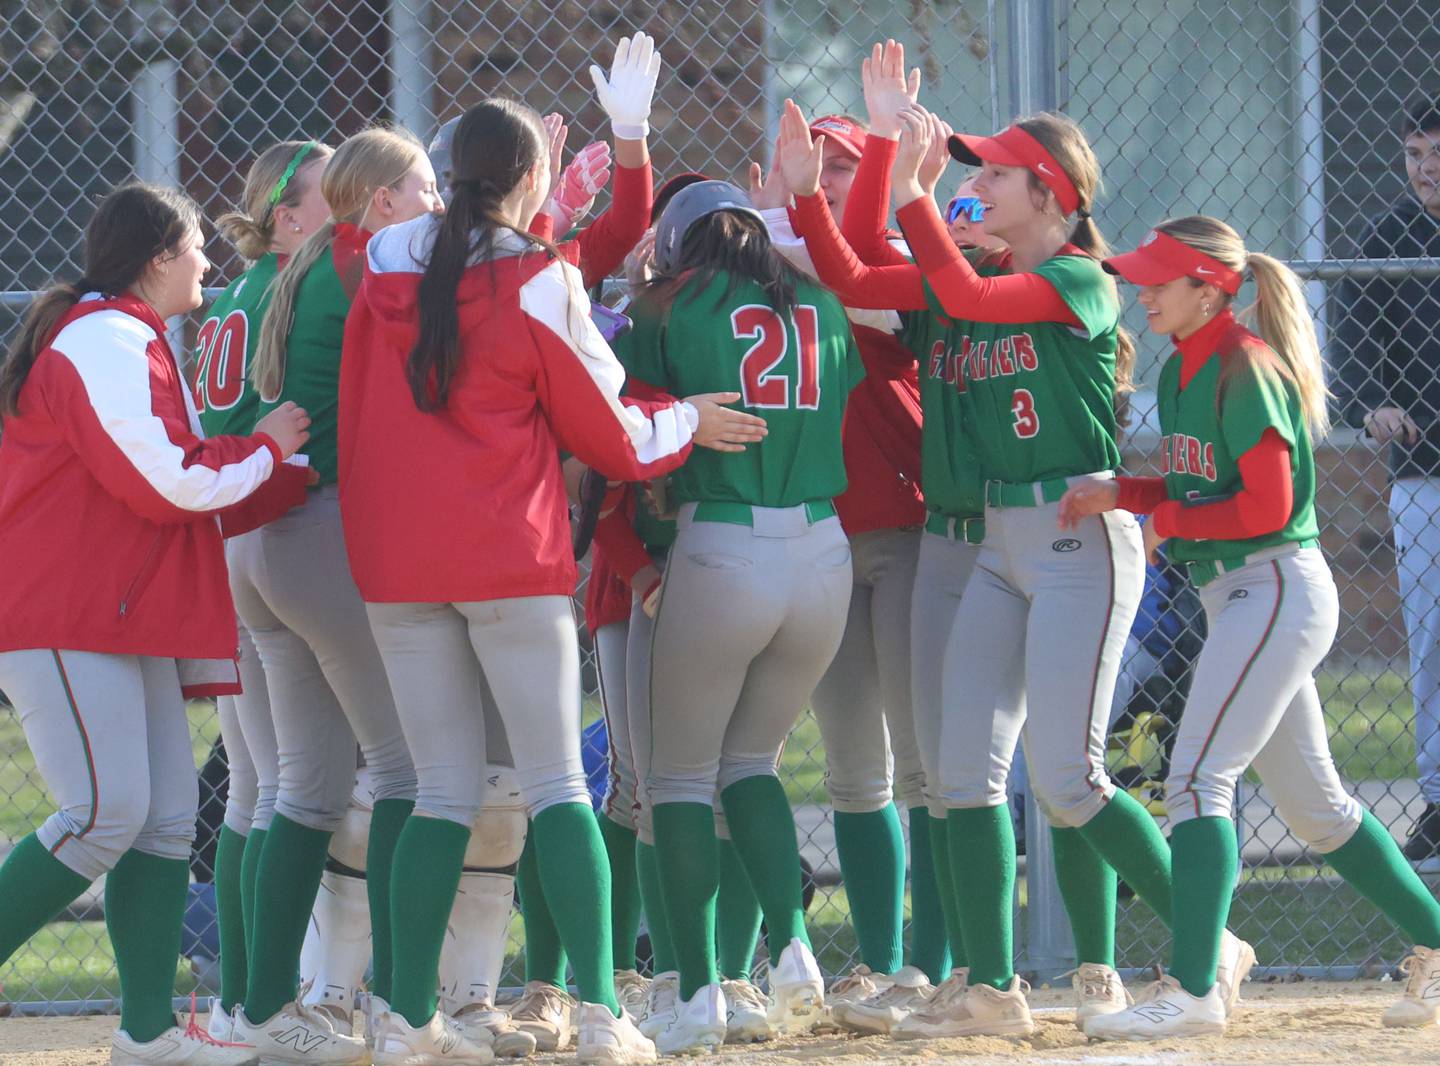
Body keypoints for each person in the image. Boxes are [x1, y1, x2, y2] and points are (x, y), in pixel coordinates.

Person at [781, 97, 1261, 1038]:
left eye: (995, 173)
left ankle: (1212, 937)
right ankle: (992, 991)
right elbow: (849, 271)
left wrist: (913, 190)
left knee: (1069, 779)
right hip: (997, 537)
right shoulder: (978, 272)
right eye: (972, 172)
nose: (975, 183)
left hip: (1078, 539)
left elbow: (964, 297)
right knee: (961, 767)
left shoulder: (1082, 279)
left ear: (1052, 194)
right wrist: (808, 198)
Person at [337, 76, 763, 1065]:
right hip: (504, 557)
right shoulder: (536, 275)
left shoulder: (381, 265)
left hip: (396, 562)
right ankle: (604, 1018)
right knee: (556, 784)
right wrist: (689, 419)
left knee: (441, 789)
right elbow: (610, 433)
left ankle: (406, 1021)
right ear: (530, 179)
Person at [1065, 215, 1440, 1038]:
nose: (1142, 291)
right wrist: (1126, 495)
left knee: (1198, 782)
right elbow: (1198, 495)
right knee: (1319, 811)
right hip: (1239, 594)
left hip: (1272, 588)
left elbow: (1265, 508)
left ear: (1211, 289)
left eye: (1162, 280)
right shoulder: (1181, 370)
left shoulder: (1245, 365)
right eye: (1142, 277)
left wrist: (1166, 517)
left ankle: (1197, 990)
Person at [0, 182, 311, 1065]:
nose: (207, 263)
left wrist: (281, 469)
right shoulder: (103, 337)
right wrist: (270, 450)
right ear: (156, 258)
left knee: (169, 819)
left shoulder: (128, 335)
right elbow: (168, 479)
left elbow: (172, 482)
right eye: (194, 248)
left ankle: (145, 1034)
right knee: (104, 811)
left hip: (118, 609)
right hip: (64, 608)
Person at [619, 177, 861, 1054]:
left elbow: (623, 429)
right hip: (824, 552)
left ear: (680, 246)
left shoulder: (665, 307)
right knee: (751, 762)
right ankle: (793, 948)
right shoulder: (824, 308)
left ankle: (696, 996)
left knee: (679, 780)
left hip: (719, 543)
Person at [228, 125, 442, 1065]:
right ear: (381, 198)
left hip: (268, 541)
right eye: (425, 186)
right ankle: (400, 1005)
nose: (437, 204)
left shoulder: (314, 258)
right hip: (317, 531)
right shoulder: (359, 258)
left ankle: (266, 1010)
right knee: (406, 773)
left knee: (302, 790)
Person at [746, 73, 937, 1012]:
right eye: (806, 170)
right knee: (857, 768)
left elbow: (851, 271)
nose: (817, 184)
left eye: (839, 171)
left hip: (901, 527)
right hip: (819, 540)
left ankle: (933, 967)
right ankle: (881, 958)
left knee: (929, 763)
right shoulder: (756, 272)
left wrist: (813, 212)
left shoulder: (889, 258)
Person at [193, 138, 334, 1042]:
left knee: (252, 786)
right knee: (289, 784)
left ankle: (238, 1001)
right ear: (288, 215)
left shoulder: (231, 297)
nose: (352, 206)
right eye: (332, 194)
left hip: (229, 539)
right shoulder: (299, 285)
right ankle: (265, 1003)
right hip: (280, 524)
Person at [1332, 95, 1440, 865]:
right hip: (1424, 474)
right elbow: (1356, 346)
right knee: (1430, 642)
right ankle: (1439, 796)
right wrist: (1374, 401)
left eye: (1436, 154)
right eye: (1414, 156)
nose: (1425, 170)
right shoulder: (1387, 236)